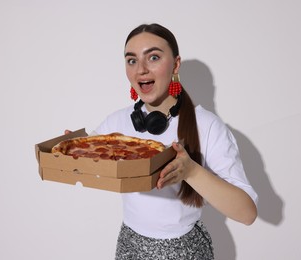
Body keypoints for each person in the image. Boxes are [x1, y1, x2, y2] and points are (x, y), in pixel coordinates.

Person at [76, 23, 258, 259]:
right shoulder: (117, 123)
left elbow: (247, 213)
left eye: (153, 57)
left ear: (175, 65)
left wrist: (191, 171)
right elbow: (86, 163)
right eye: (131, 60)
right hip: (130, 248)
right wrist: (75, 148)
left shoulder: (208, 126)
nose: (141, 69)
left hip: (186, 251)